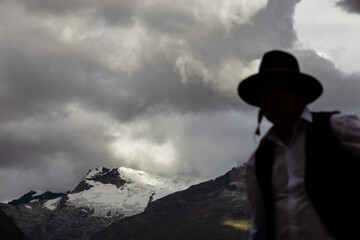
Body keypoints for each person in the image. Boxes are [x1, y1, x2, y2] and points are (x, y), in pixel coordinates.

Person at [237, 50, 360, 240]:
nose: (272, 100)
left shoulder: (337, 128)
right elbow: (260, 226)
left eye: (281, 90)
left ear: (300, 93)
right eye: (266, 94)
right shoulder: (258, 161)